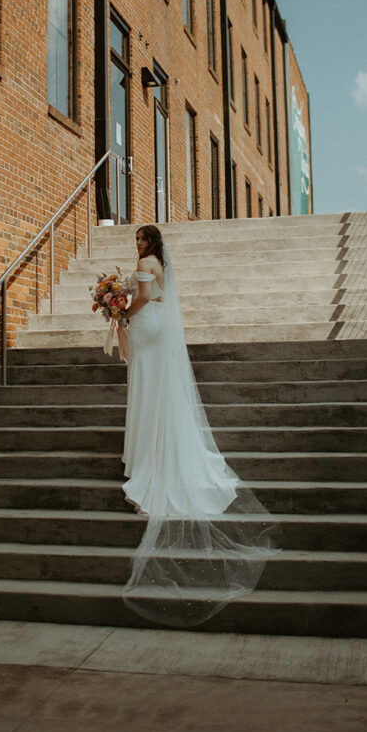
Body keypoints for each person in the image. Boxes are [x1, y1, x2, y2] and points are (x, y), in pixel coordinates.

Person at [119, 224, 280, 627]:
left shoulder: (145, 262)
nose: (137, 244)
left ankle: (148, 460)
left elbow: (141, 297)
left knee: (146, 390)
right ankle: (154, 450)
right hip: (159, 327)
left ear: (150, 242)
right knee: (156, 391)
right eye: (137, 239)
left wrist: (121, 311)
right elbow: (156, 293)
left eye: (141, 238)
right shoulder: (163, 263)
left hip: (145, 325)